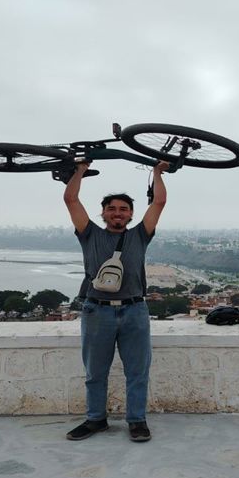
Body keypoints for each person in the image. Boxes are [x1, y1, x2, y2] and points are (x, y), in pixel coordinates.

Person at [62, 159, 169, 443]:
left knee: (137, 371)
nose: (117, 213)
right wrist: (80, 171)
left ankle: (137, 421)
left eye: (123, 209)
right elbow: (70, 199)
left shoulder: (140, 236)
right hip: (97, 311)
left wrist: (157, 173)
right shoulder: (90, 235)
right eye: (112, 209)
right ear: (104, 213)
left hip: (135, 309)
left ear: (131, 214)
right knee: (95, 371)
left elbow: (159, 202)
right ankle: (95, 419)